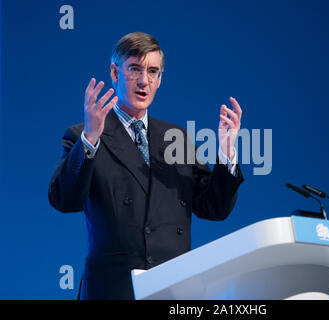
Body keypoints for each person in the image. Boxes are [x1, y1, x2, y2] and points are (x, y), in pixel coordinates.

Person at [48, 32, 244, 300]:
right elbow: (64, 200)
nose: (144, 81)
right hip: (114, 289)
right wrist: (91, 137)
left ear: (160, 78)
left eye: (153, 71)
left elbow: (214, 208)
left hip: (174, 288)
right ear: (115, 73)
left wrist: (227, 151)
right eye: (135, 69)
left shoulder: (176, 138)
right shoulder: (83, 134)